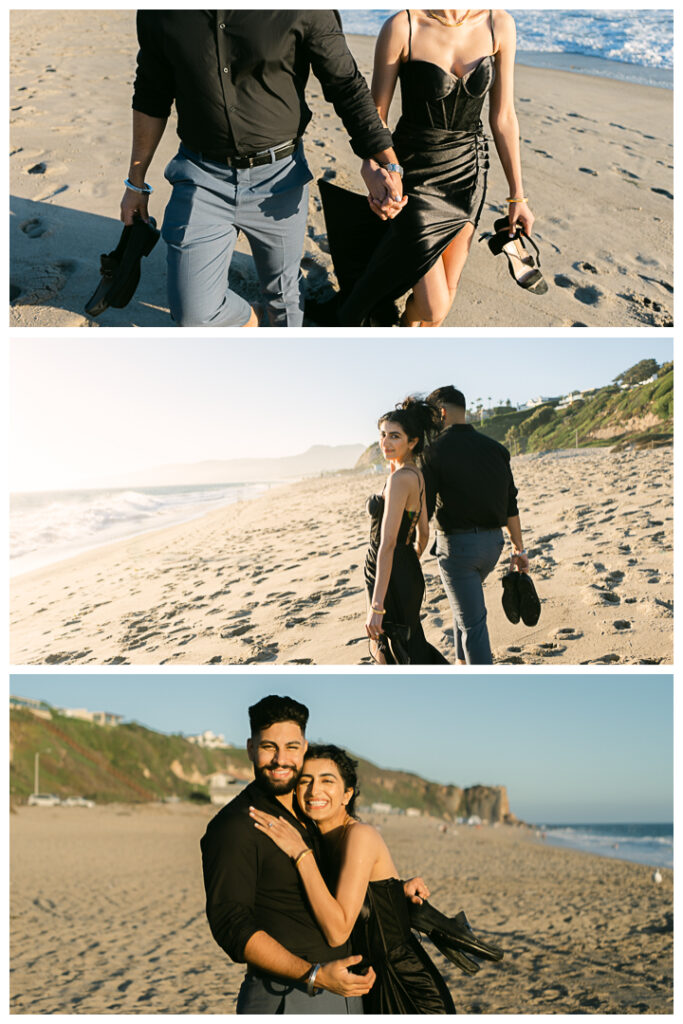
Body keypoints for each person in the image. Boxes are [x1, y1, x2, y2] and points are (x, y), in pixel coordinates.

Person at [122, 11, 405, 328]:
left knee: (285, 301)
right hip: (201, 177)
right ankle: (255, 319)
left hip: (279, 179)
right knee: (194, 315)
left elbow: (346, 84)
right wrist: (135, 183)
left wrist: (384, 160)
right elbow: (151, 92)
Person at [311, 8, 537, 327]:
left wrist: (518, 196)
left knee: (442, 300)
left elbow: (504, 117)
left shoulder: (499, 24)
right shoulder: (403, 26)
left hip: (469, 174)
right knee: (434, 305)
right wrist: (371, 167)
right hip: (414, 175)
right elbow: (375, 117)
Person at [200, 695, 376, 1013]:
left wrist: (390, 889)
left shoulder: (308, 814)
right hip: (287, 996)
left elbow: (336, 882)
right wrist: (313, 975)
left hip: (343, 993)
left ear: (304, 747)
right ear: (251, 748)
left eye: (292, 747)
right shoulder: (235, 826)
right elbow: (231, 924)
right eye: (269, 747)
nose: (281, 760)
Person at [249, 744, 457, 1014]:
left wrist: (301, 854)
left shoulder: (360, 835)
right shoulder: (322, 841)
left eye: (327, 780)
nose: (314, 791)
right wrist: (397, 890)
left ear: (347, 794)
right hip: (364, 984)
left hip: (405, 985)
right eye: (305, 781)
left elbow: (337, 932)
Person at [421, 385, 529, 664]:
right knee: (465, 607)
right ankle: (460, 661)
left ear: (441, 412)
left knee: (474, 625)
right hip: (493, 546)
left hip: (458, 550)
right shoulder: (497, 449)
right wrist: (520, 550)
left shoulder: (434, 451)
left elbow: (426, 508)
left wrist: (413, 545)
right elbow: (510, 505)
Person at [364, 397, 448, 665]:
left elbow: (387, 543)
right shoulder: (414, 474)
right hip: (403, 570)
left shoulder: (400, 479)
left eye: (395, 436)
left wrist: (377, 606)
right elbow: (423, 532)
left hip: (388, 571)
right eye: (383, 435)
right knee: (410, 644)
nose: (385, 442)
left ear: (412, 442)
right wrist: (407, 563)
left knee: (396, 651)